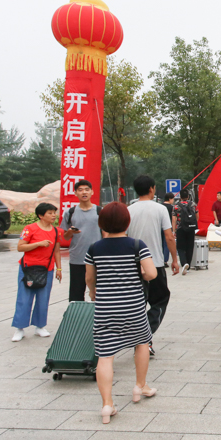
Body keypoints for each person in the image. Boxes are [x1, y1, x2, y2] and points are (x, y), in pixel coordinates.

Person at [85, 202, 158, 424]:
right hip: (133, 307)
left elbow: (89, 278)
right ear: (127, 222)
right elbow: (152, 274)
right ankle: (140, 386)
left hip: (105, 308)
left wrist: (93, 292)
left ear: (102, 223)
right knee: (142, 343)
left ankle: (107, 404)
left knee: (105, 356)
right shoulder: (137, 245)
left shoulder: (94, 248)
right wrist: (141, 275)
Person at [127, 175, 180, 356]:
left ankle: (140, 339)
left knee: (138, 303)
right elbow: (169, 236)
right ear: (151, 189)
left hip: (133, 264)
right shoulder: (160, 209)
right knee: (160, 299)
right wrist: (174, 259)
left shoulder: (129, 210)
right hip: (154, 263)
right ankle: (145, 337)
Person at [12, 202, 62, 342]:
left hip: (47, 269)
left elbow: (57, 251)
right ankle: (19, 328)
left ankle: (40, 326)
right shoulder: (30, 229)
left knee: (43, 299)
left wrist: (59, 268)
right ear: (41, 215)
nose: (53, 215)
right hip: (28, 268)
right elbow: (20, 247)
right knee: (24, 299)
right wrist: (38, 244)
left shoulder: (56, 231)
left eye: (54, 213)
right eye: (50, 213)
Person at [61, 180, 102, 302]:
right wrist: (70, 232)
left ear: (92, 192)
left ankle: (99, 313)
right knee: (76, 292)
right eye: (80, 190)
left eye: (87, 189)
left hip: (97, 258)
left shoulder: (100, 211)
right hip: (77, 257)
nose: (84, 192)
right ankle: (75, 313)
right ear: (75, 193)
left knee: (99, 291)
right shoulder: (70, 212)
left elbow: (106, 234)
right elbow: (65, 237)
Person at [173, 189, 198, 275]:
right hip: (191, 229)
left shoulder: (176, 206)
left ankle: (184, 263)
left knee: (180, 247)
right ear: (188, 196)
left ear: (180, 196)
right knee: (190, 247)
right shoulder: (193, 205)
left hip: (180, 229)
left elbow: (174, 219)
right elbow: (197, 216)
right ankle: (188, 266)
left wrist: (174, 230)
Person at [161, 192, 175, 266]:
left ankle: (160, 259)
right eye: (173, 199)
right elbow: (173, 219)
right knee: (166, 244)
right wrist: (173, 229)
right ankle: (165, 261)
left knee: (160, 244)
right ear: (170, 199)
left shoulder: (160, 206)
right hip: (167, 227)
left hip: (159, 227)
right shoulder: (172, 208)